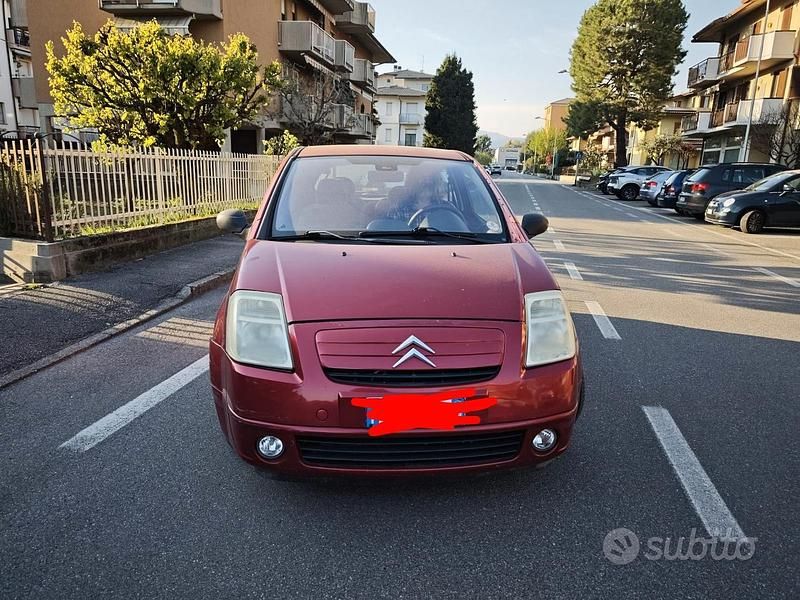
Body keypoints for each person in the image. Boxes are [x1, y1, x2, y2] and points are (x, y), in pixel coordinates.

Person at [385, 164, 449, 222]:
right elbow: (391, 229)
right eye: (422, 179)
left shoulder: (446, 209)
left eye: (431, 178)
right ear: (412, 183)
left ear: (437, 182)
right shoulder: (400, 208)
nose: (427, 182)